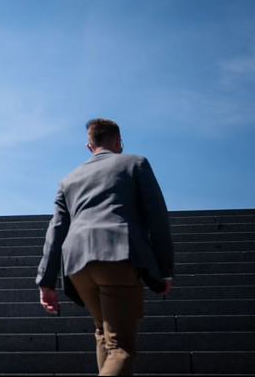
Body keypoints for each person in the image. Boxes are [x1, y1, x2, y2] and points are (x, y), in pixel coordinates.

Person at [36, 118, 173, 376]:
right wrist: (165, 270)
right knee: (122, 346)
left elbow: (55, 231)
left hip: (76, 264)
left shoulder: (69, 180)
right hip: (117, 256)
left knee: (103, 333)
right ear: (118, 141)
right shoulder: (135, 164)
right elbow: (158, 219)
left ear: (89, 146)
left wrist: (46, 281)